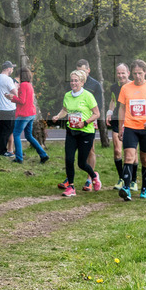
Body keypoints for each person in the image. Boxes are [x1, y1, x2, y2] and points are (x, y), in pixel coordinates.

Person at [50, 69, 100, 197]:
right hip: (71, 132)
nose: (73, 83)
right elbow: (65, 110)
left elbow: (97, 114)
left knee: (81, 163)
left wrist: (85, 122)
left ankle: (94, 176)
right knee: (69, 159)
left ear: (82, 82)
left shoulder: (88, 96)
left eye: (76, 81)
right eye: (72, 80)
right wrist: (57, 116)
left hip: (86, 132)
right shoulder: (67, 95)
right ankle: (71, 187)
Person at [116, 59, 146, 200]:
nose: (137, 76)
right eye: (135, 73)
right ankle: (126, 188)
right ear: (131, 73)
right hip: (130, 127)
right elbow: (122, 109)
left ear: (145, 72)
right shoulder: (125, 88)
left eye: (140, 73)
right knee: (129, 157)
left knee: (145, 159)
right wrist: (120, 127)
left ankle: (144, 188)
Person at [12, 67, 49, 164]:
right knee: (28, 136)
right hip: (31, 113)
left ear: (21, 75)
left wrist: (12, 98)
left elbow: (21, 101)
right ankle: (43, 154)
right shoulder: (29, 85)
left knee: (16, 134)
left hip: (23, 114)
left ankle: (19, 157)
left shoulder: (23, 85)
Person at [105, 63, 131, 189]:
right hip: (117, 120)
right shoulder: (114, 87)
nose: (120, 76)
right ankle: (121, 178)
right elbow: (113, 101)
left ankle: (132, 179)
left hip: (131, 121)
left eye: (123, 73)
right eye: (118, 73)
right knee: (117, 150)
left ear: (128, 73)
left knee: (130, 152)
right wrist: (109, 113)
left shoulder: (133, 86)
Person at [0, 61, 18, 158]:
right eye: (12, 68)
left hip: (0, 107)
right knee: (8, 130)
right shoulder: (8, 79)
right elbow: (15, 93)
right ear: (8, 68)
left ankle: (0, 149)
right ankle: (3, 151)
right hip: (8, 108)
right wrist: (16, 87)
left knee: (1, 130)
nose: (12, 70)